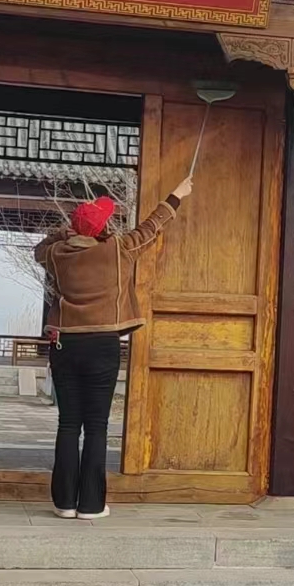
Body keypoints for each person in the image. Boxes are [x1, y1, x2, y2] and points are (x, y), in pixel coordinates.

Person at [34, 177, 193, 519]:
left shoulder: (57, 254)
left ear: (74, 227)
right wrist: (176, 195)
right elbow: (151, 227)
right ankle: (91, 505)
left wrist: (64, 233)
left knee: (68, 424)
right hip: (102, 345)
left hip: (65, 344)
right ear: (103, 229)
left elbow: (39, 249)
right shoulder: (118, 251)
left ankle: (64, 503)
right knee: (97, 426)